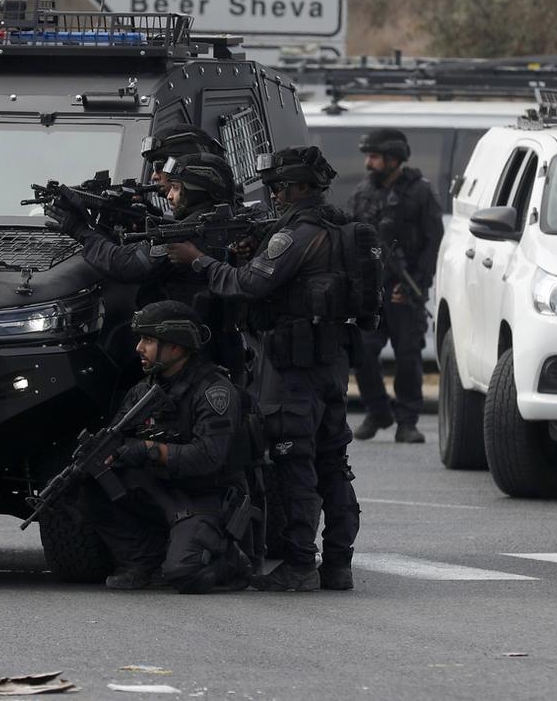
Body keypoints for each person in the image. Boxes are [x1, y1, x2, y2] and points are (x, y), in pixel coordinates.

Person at [165, 146, 360, 592]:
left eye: (280, 187)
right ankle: (337, 564)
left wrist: (198, 259)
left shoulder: (298, 232)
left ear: (303, 187)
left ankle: (298, 564)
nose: (273, 196)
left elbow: (248, 285)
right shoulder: (341, 225)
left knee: (295, 462)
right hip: (331, 360)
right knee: (335, 463)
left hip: (294, 368)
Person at [76, 300, 252, 593]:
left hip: (205, 496)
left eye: (148, 340)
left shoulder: (214, 391)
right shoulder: (143, 391)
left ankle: (233, 562)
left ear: (177, 347)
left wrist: (149, 449)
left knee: (184, 575)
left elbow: (209, 458)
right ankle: (143, 562)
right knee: (91, 481)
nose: (139, 349)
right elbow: (118, 437)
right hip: (164, 489)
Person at [47, 152, 248, 382]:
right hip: (207, 347)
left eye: (176, 188)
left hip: (189, 355)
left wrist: (81, 231)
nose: (169, 196)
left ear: (195, 192)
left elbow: (126, 265)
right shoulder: (214, 223)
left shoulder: (189, 232)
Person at [348, 129, 444, 444]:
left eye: (374, 157)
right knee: (362, 352)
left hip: (406, 287)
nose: (368, 163)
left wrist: (417, 282)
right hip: (371, 290)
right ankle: (378, 411)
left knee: (407, 356)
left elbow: (433, 242)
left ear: (392, 159)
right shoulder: (364, 193)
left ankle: (407, 421)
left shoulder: (420, 193)